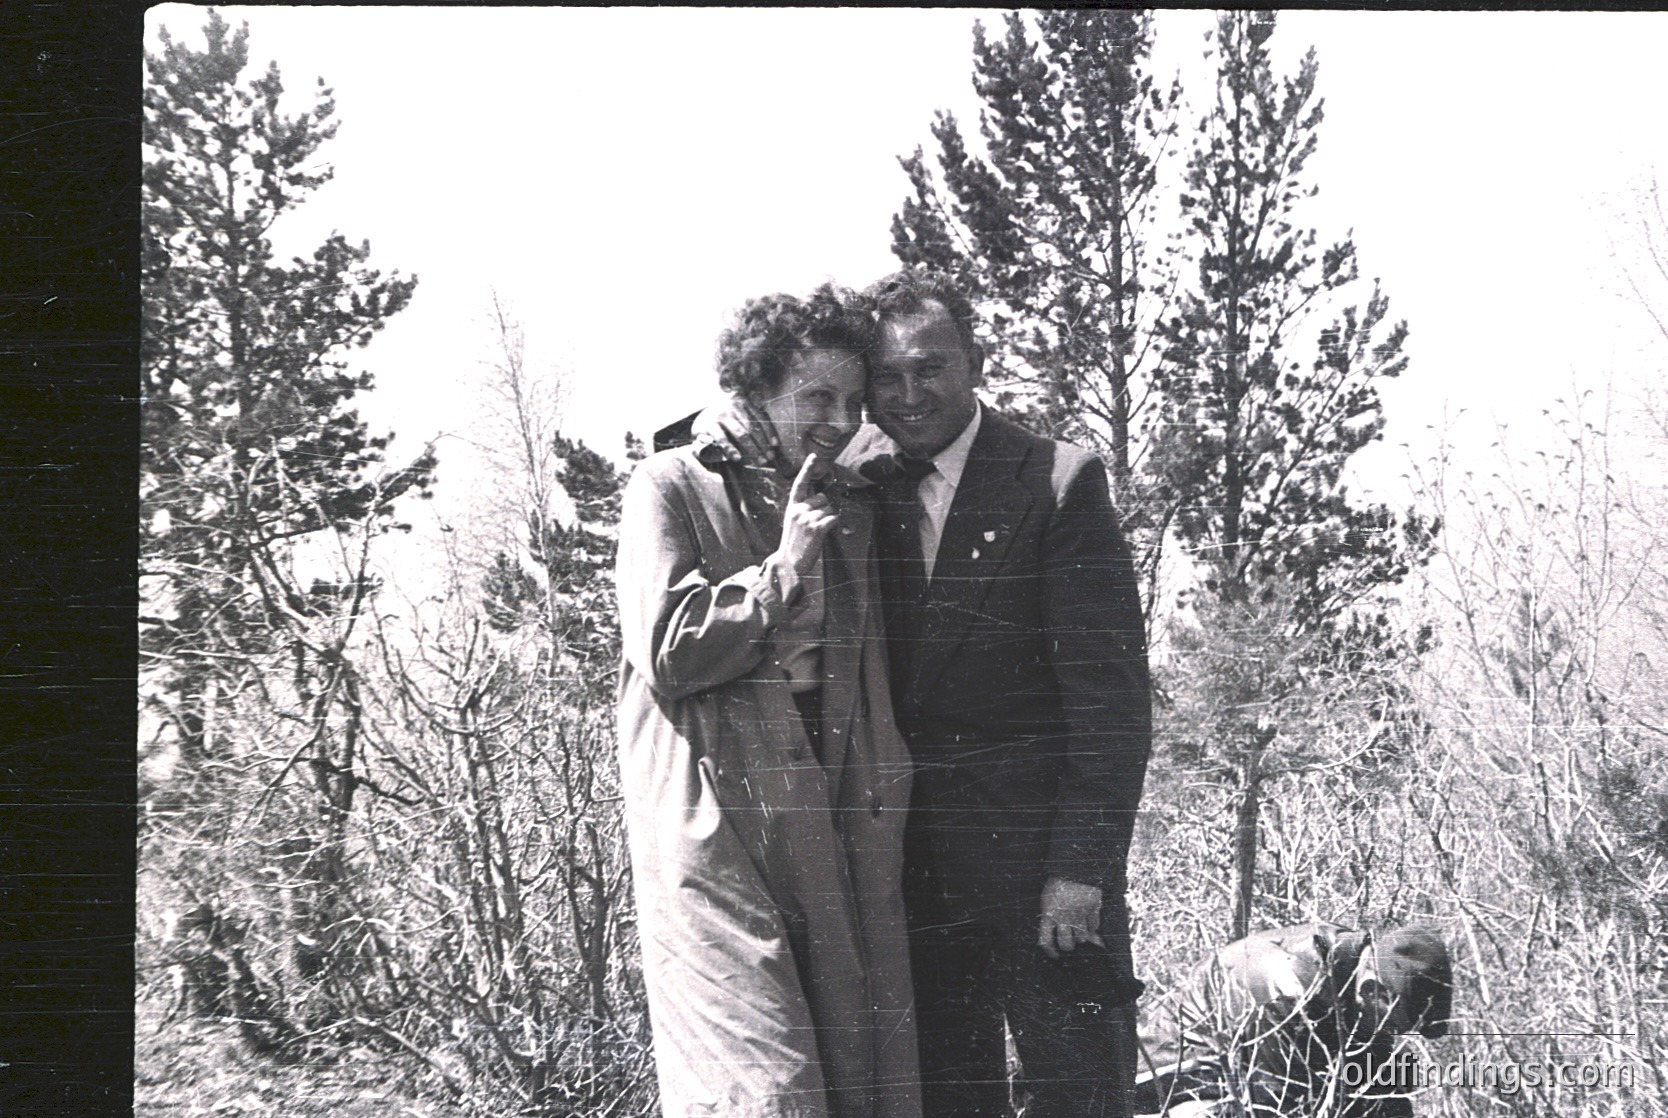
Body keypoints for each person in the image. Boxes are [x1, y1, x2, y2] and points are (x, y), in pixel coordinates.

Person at [852, 267, 1154, 1118]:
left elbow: (1112, 705)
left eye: (931, 367)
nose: (910, 395)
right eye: (888, 376)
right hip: (912, 884)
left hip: (1044, 886)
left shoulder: (1057, 481)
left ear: (975, 362)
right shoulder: (855, 489)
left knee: (1081, 1097)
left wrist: (1079, 873)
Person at [615, 284, 920, 1118]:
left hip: (829, 813)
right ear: (757, 387)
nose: (839, 416)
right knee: (764, 1085)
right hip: (720, 826)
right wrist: (782, 567)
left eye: (852, 400)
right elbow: (669, 651)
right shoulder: (670, 484)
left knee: (859, 1076)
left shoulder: (843, 500)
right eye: (816, 395)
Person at [1133, 922, 1452, 1117]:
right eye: (1395, 1026)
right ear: (1374, 993)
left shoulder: (1358, 971)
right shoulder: (1290, 987)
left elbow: (1376, 1083)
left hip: (1255, 1071)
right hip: (1169, 1080)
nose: (1394, 1035)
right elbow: (1279, 1107)